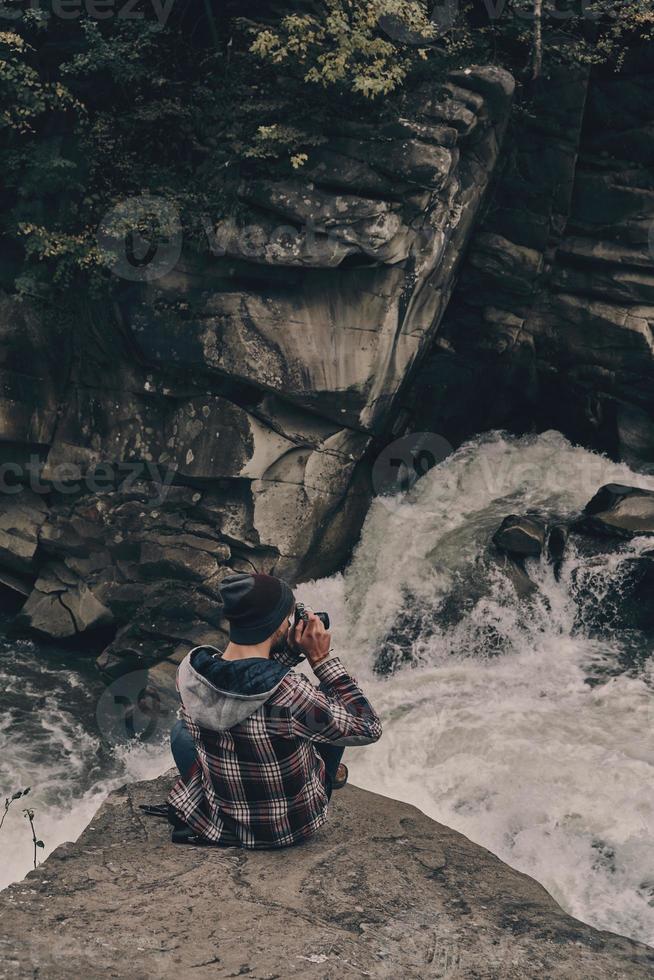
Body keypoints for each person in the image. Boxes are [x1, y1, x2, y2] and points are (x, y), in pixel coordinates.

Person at [167, 572, 382, 848]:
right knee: (329, 703)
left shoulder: (191, 671)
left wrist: (289, 652)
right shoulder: (292, 695)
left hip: (223, 821)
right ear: (276, 624)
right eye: (287, 618)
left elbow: (246, 684)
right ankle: (330, 773)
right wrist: (321, 660)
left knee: (181, 730)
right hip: (288, 828)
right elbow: (368, 726)